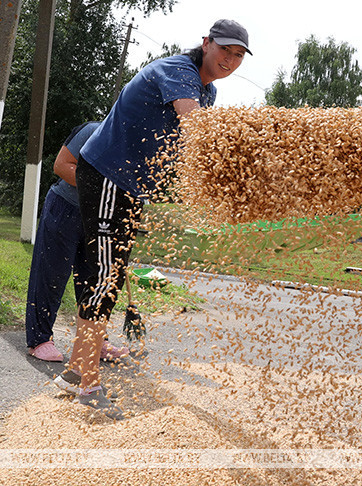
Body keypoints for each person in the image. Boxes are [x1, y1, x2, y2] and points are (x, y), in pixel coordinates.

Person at [52, 19, 251, 420]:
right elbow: (196, 129)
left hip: (128, 186)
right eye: (224, 49)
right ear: (206, 43)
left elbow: (185, 149)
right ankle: (89, 387)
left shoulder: (206, 90)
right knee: (106, 279)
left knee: (107, 271)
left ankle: (74, 371)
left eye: (238, 55)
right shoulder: (178, 72)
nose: (230, 59)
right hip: (108, 175)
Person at [25, 122, 131, 363]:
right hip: (66, 209)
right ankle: (39, 340)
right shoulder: (95, 131)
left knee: (96, 281)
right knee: (51, 276)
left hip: (101, 219)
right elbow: (61, 166)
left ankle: (94, 342)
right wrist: (103, 189)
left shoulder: (137, 147)